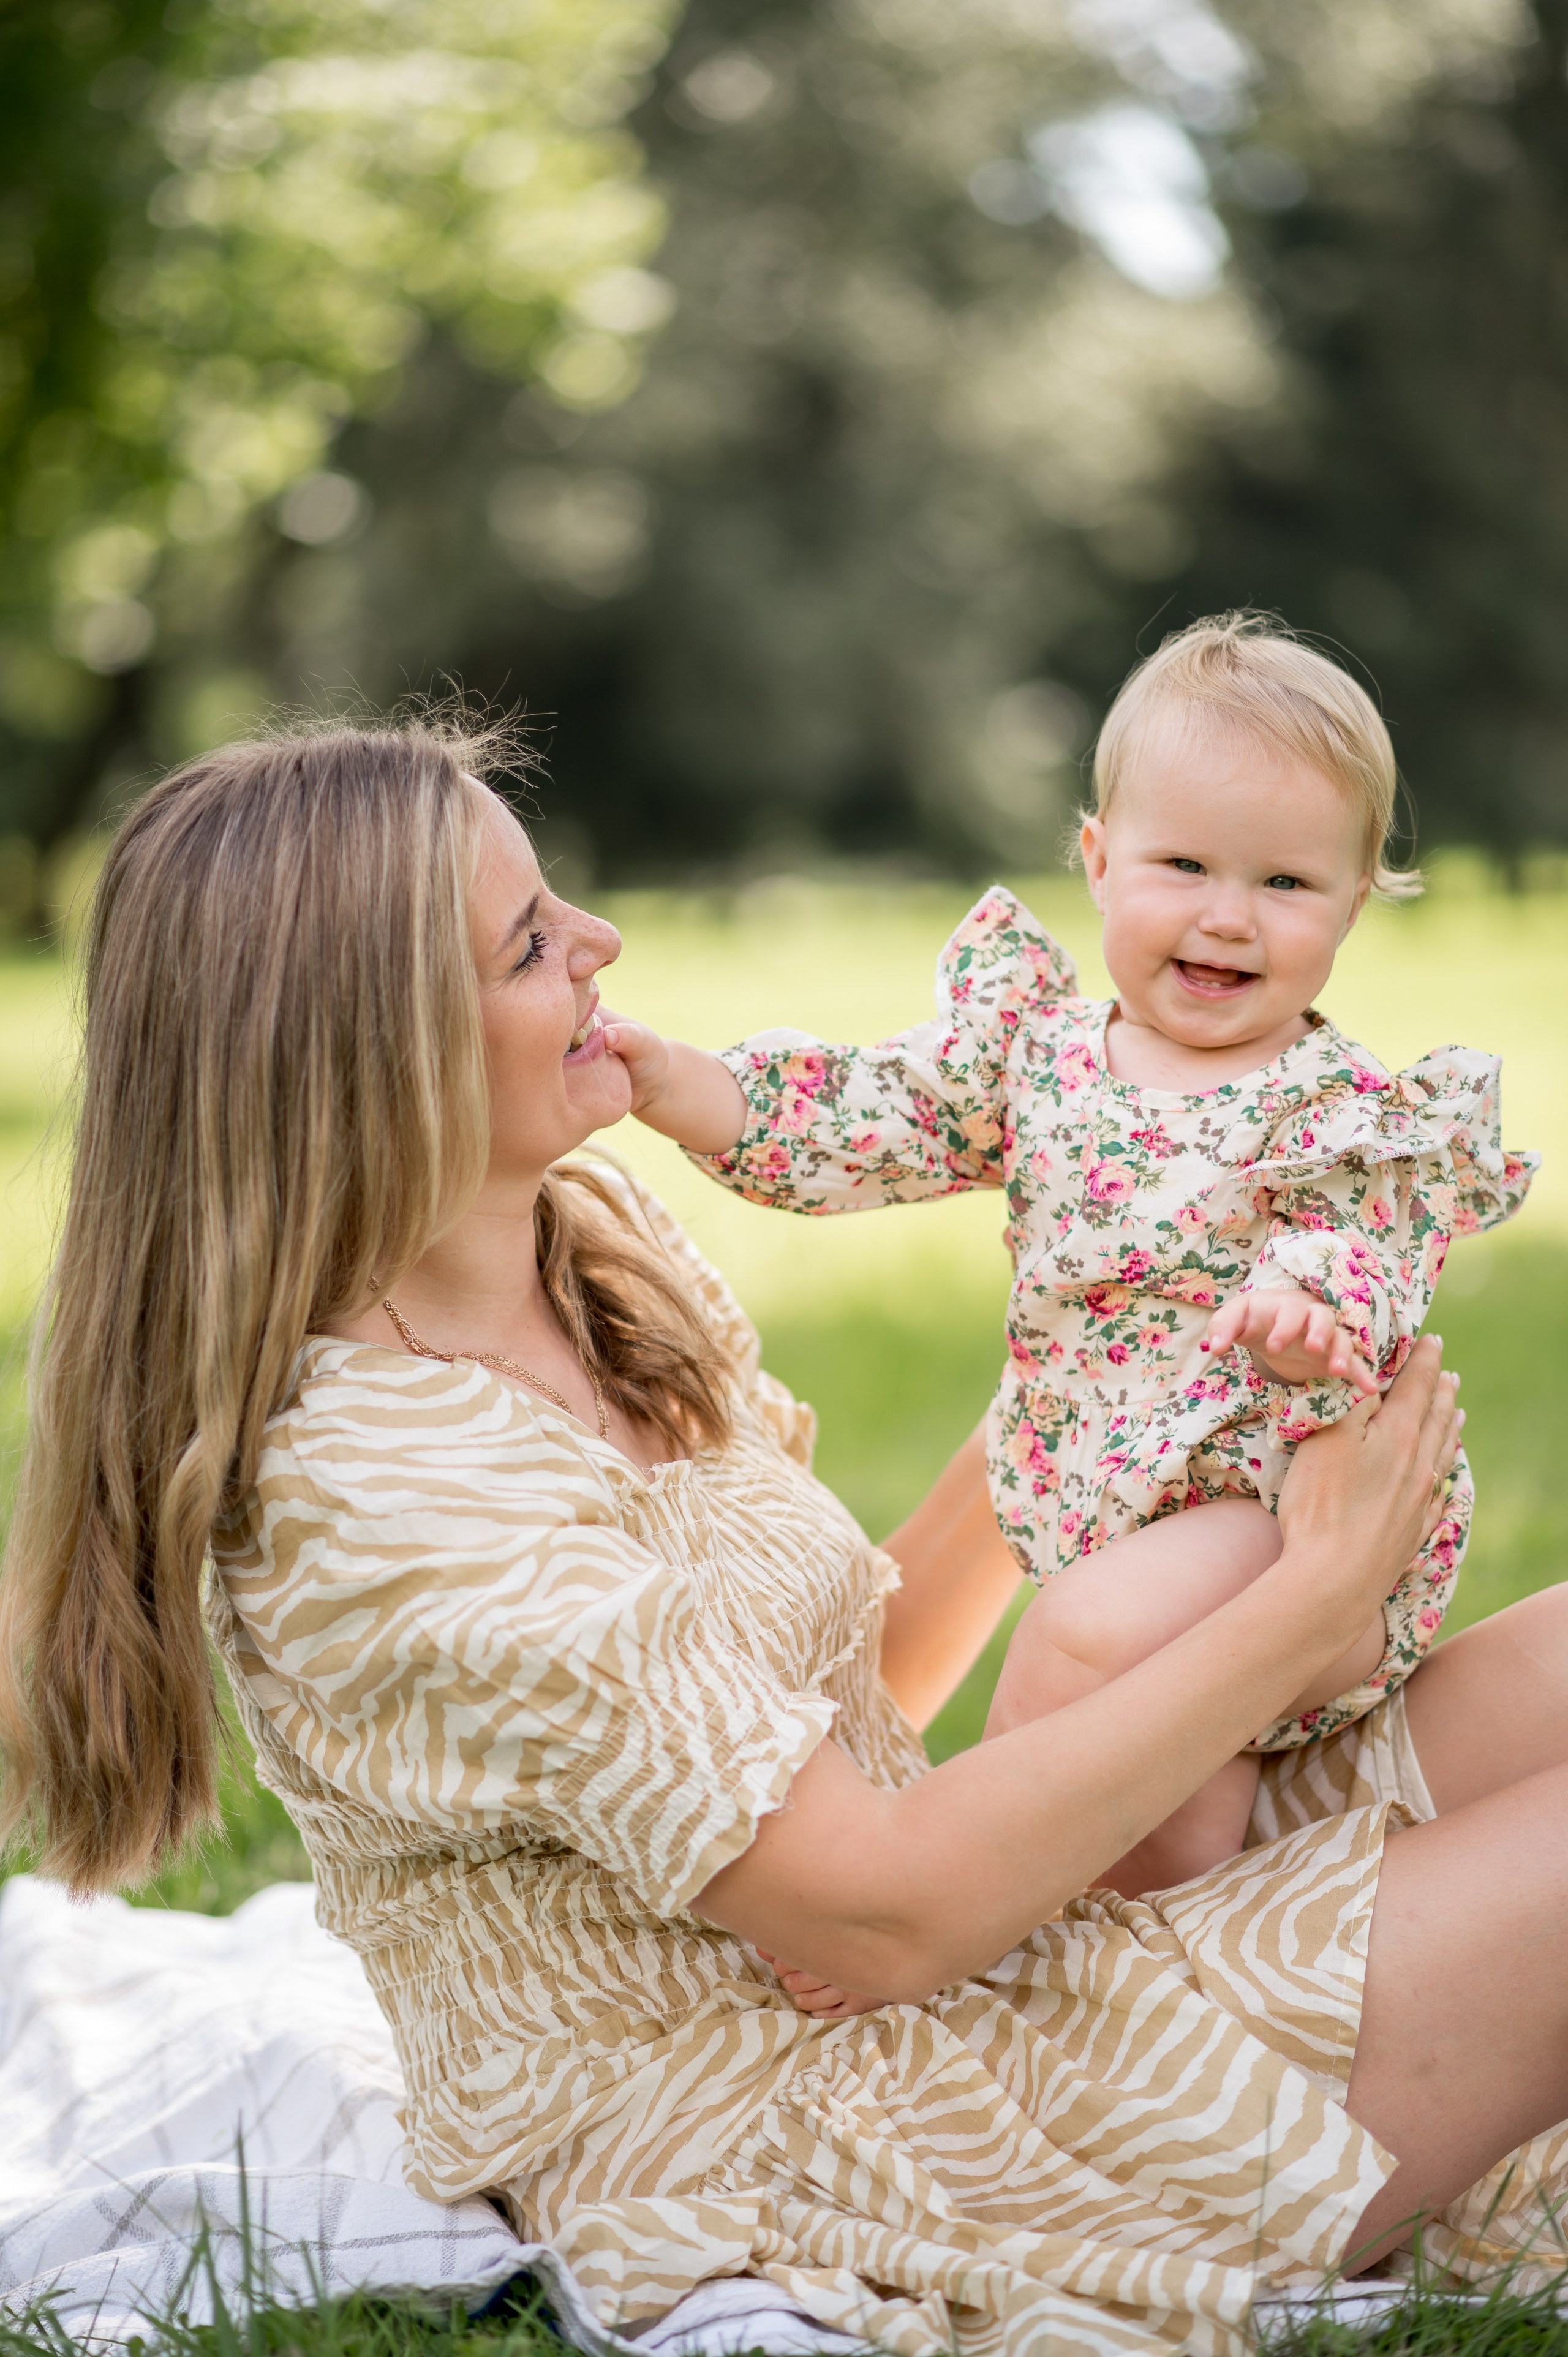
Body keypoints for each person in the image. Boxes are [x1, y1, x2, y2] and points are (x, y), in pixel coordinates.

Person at [1, 721, 1567, 2357]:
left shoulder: (586, 1247)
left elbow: (840, 1691)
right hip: (846, 2118)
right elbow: (879, 1915)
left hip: (980, 1925)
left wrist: (1111, 1386)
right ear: (372, 1052)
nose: (602, 942)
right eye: (530, 944)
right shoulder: (386, 1494)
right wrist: (1313, 1592)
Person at [611, 614, 1536, 1891]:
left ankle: (932, 1896)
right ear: (1099, 861)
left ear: (1354, 899)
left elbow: (1363, 1242)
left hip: (1276, 1523)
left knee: (1085, 1643)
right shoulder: (1035, 1058)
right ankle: (1150, 1957)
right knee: (1165, 1814)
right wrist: (682, 1082)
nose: (1227, 918)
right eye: (1184, 864)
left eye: (1284, 884)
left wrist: (1308, 1305)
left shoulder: (1340, 1113)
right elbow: (866, 1115)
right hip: (1105, 1505)